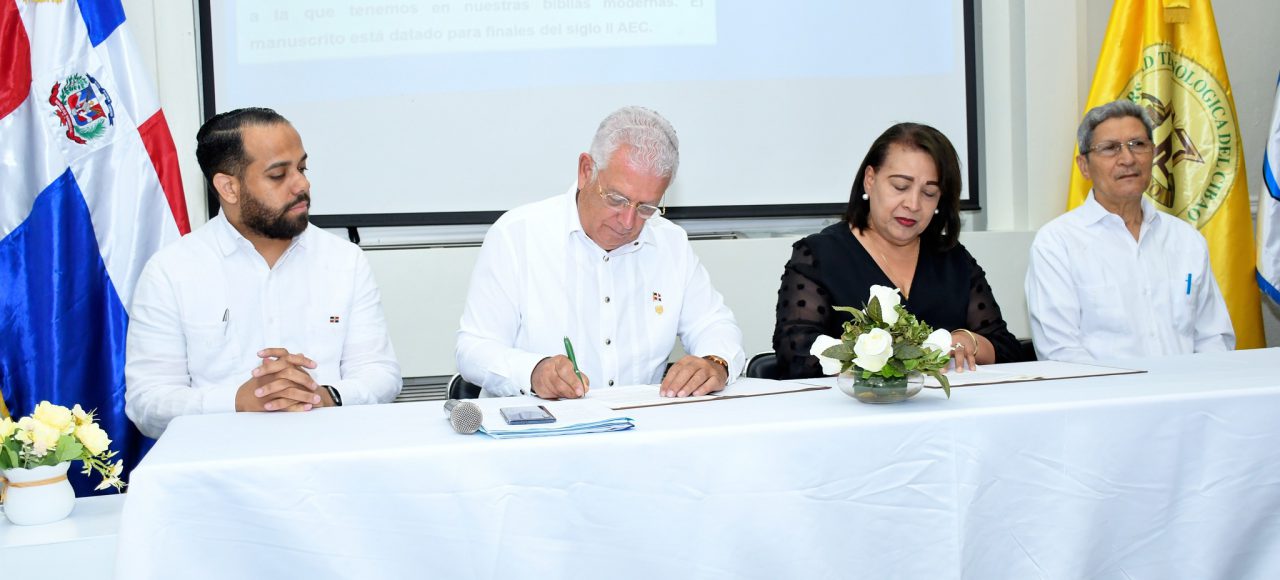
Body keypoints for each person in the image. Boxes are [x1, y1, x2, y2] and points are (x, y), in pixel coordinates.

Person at [125, 107, 401, 438]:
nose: (302, 184)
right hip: (219, 459)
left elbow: (380, 373)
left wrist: (322, 395)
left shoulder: (345, 261)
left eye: (302, 168)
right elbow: (147, 403)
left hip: (331, 452)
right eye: (278, 175)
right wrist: (238, 401)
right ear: (229, 188)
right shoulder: (171, 271)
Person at [456, 106, 745, 399]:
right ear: (586, 171)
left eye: (646, 208)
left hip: (642, 422)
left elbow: (714, 324)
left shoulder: (670, 243)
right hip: (539, 421)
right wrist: (533, 372)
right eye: (617, 199)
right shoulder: (517, 236)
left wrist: (715, 362)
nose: (628, 222)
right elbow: (474, 348)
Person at [773, 122, 1022, 379]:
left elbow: (1008, 350)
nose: (913, 204)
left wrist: (970, 341)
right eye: (901, 186)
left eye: (929, 193)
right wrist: (880, 358)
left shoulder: (953, 258)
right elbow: (796, 355)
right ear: (870, 180)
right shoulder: (820, 256)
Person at [1025, 100, 1234, 362]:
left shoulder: (1186, 239)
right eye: (1110, 148)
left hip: (1189, 386)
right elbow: (1061, 352)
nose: (1128, 159)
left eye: (1138, 144)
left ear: (1153, 154)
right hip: (1102, 388)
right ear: (1084, 166)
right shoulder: (1057, 244)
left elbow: (1214, 338)